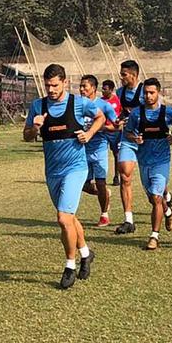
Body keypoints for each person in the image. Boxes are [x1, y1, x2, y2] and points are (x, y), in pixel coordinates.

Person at [23, 65, 104, 290]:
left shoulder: (78, 103)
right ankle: (86, 253)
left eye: (55, 85)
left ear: (65, 83)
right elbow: (27, 137)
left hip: (76, 169)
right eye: (47, 85)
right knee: (69, 218)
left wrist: (88, 134)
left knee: (62, 217)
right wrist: (35, 127)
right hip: (52, 171)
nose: (51, 89)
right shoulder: (38, 106)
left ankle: (70, 265)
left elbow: (100, 116)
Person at [114, 61, 172, 234]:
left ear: (134, 74)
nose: (121, 76)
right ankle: (128, 220)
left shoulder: (145, 92)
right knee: (124, 173)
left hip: (149, 142)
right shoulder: (120, 92)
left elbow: (156, 114)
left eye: (124, 74)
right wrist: (120, 120)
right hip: (129, 137)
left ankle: (167, 202)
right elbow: (121, 114)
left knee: (154, 191)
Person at [124, 78, 172, 250]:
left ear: (159, 93)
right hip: (143, 160)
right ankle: (168, 212)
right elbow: (127, 133)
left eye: (152, 92)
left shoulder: (168, 112)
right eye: (146, 93)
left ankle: (154, 236)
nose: (148, 96)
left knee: (156, 197)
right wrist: (135, 138)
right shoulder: (136, 114)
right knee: (152, 198)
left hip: (162, 160)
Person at [78, 75, 119, 226]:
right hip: (81, 149)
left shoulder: (104, 105)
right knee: (83, 184)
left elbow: (116, 126)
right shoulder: (77, 104)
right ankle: (105, 194)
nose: (82, 89)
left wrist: (99, 127)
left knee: (101, 182)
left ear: (93, 88)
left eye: (85, 86)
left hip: (99, 147)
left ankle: (104, 214)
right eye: (80, 86)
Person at [100, 79, 122, 188]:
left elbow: (121, 114)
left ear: (111, 90)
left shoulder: (117, 100)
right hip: (103, 131)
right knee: (100, 154)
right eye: (102, 89)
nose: (103, 91)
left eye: (105, 89)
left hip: (115, 132)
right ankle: (99, 178)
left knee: (116, 154)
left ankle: (117, 176)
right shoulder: (100, 101)